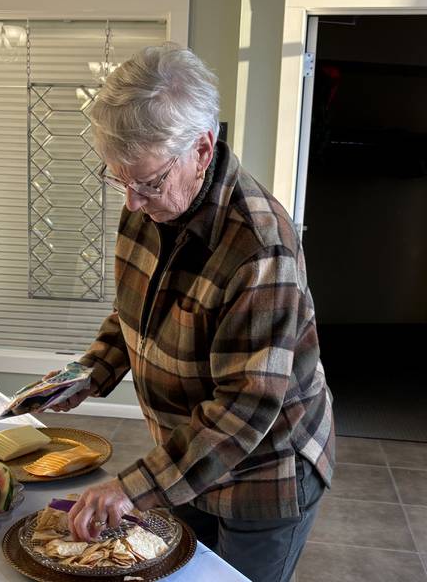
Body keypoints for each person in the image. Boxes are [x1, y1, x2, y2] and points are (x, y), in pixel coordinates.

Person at [47, 44, 334, 582]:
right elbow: (134, 311)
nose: (132, 202)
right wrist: (91, 372)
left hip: (265, 472)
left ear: (202, 148)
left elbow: (245, 409)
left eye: (148, 182)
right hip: (187, 454)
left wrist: (130, 486)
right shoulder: (149, 201)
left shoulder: (258, 246)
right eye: (118, 180)